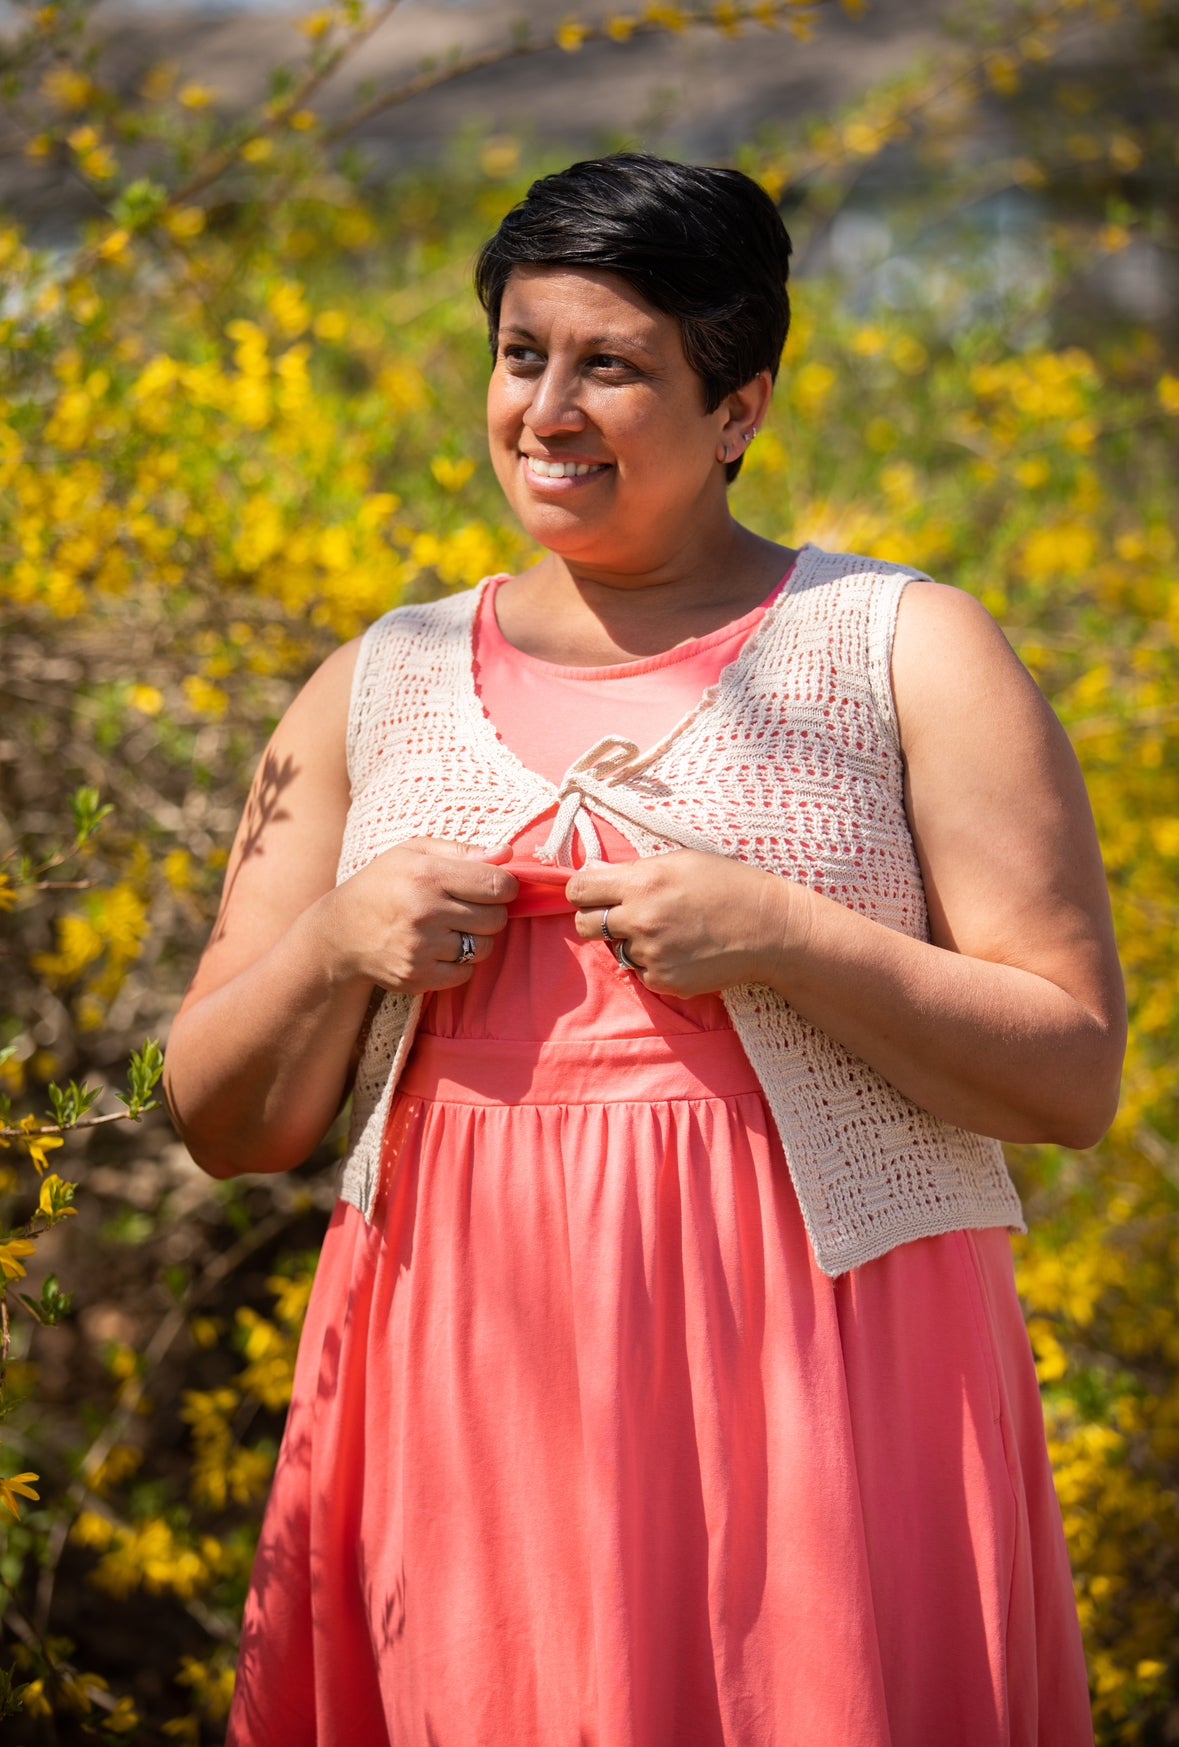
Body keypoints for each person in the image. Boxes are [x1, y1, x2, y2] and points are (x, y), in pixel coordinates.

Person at [164, 153, 1125, 1747]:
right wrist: (338, 942)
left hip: (828, 1369)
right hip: (462, 1373)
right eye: (520, 352)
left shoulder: (901, 646)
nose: (545, 409)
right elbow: (225, 1123)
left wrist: (788, 939)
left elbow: (1075, 1074)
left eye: (610, 365)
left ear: (738, 406)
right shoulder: (377, 680)